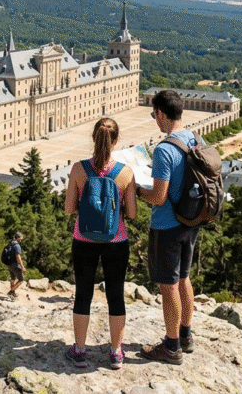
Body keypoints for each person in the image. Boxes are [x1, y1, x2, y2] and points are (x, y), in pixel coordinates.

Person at [64, 117, 137, 370]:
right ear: (116, 141)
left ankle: (79, 350)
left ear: (93, 138)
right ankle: (115, 352)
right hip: (116, 240)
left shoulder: (78, 169)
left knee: (83, 294)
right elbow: (132, 214)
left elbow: (69, 207)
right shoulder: (125, 172)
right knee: (116, 295)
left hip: (83, 239)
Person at [136, 90, 198, 365]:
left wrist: (138, 190)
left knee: (168, 285)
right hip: (191, 221)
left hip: (167, 225)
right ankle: (185, 335)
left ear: (161, 113)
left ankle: (171, 347)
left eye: (154, 114)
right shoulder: (194, 139)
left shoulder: (164, 149)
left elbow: (158, 197)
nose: (155, 119)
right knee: (184, 278)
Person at [6, 233, 26, 299]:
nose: (21, 240)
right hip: (15, 264)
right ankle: (11, 292)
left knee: (13, 278)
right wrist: (22, 266)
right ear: (18, 238)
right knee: (21, 279)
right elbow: (18, 257)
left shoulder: (10, 244)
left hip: (9, 264)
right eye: (21, 238)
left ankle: (13, 293)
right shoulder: (17, 246)